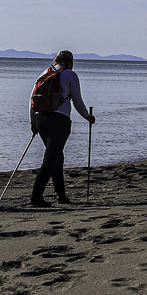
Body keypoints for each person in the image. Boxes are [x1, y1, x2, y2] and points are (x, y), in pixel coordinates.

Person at [29, 50, 94, 207]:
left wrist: (33, 123)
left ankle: (61, 196)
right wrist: (87, 116)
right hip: (59, 121)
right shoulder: (70, 75)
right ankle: (36, 197)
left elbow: (32, 99)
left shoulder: (44, 73)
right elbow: (77, 101)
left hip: (41, 119)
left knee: (57, 158)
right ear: (70, 62)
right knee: (51, 159)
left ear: (56, 60)